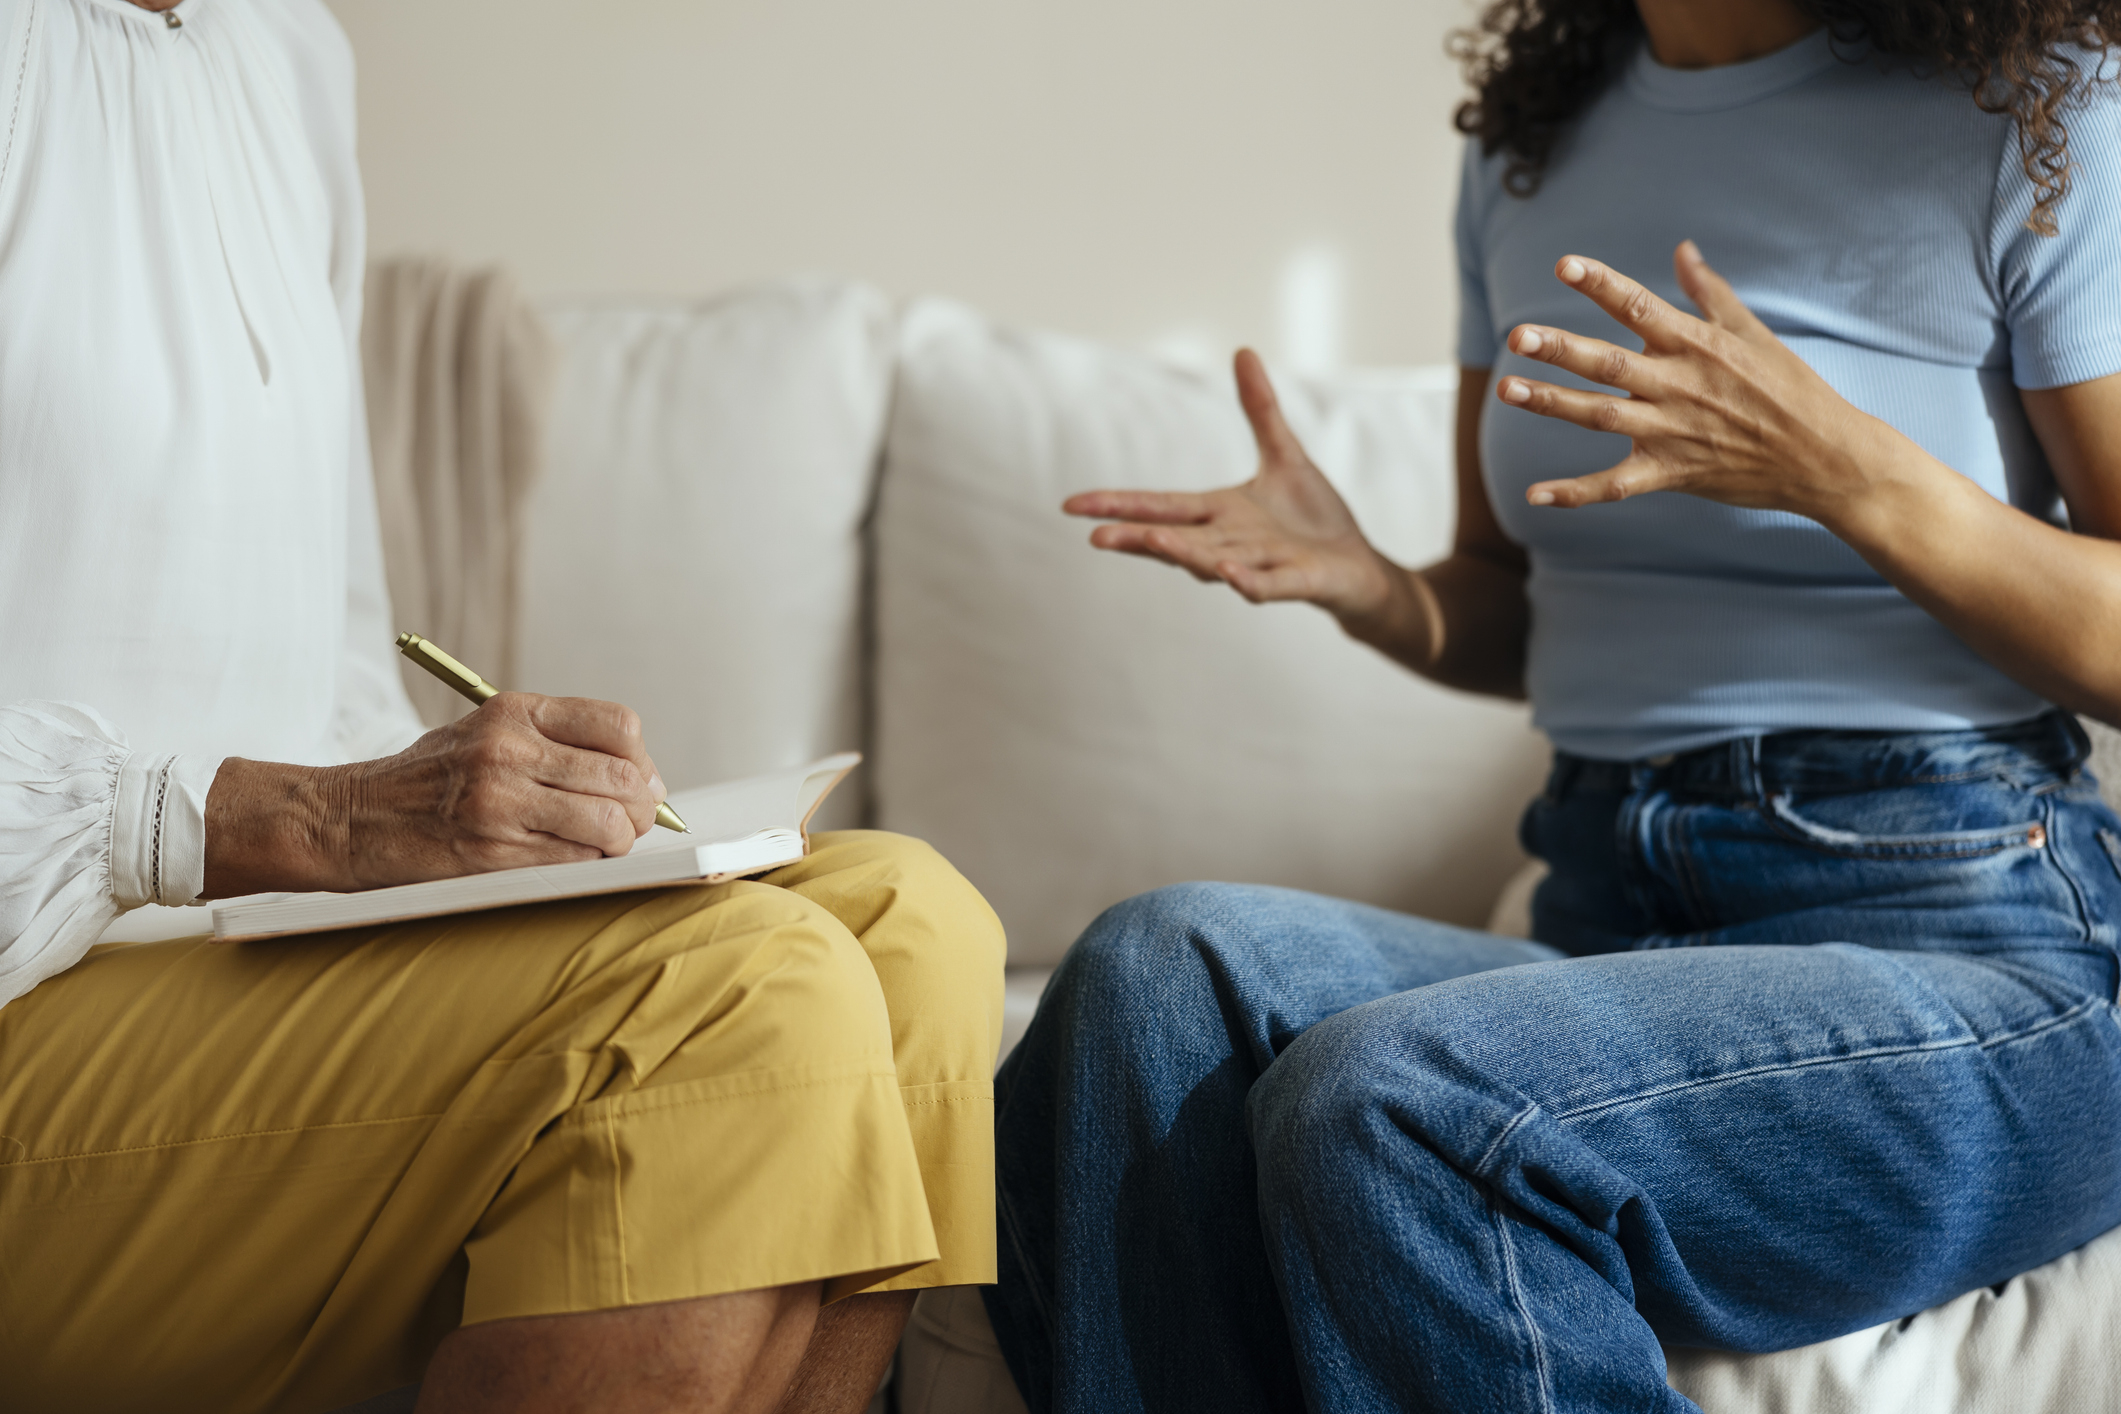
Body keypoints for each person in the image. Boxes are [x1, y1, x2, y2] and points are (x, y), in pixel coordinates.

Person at [982, 1, 2121, 1410]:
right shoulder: (1535, 143)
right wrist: (1377, 586)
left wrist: (1851, 475)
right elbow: (1514, 602)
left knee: (1396, 1099)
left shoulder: (2040, 115)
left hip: (1969, 933)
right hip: (1615, 920)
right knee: (1150, 977)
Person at [0, 2, 1004, 1411]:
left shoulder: (287, 54)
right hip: (28, 1002)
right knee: (746, 997)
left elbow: (335, 632)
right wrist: (287, 820)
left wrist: (446, 850)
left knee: (910, 927)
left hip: (214, 957)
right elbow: (280, 800)